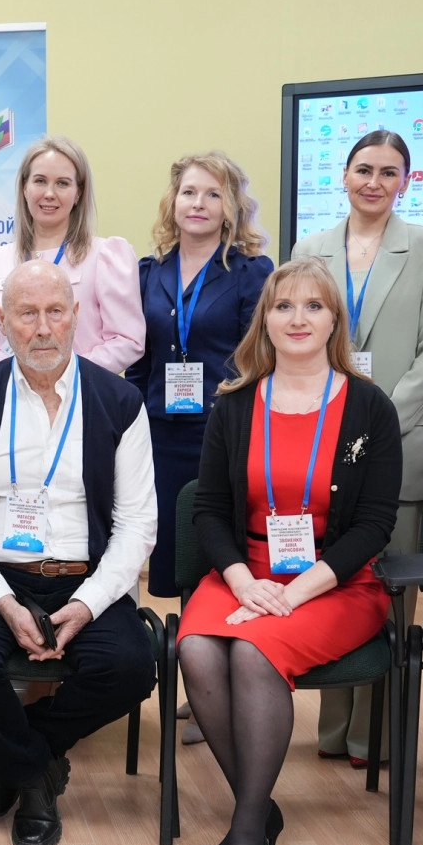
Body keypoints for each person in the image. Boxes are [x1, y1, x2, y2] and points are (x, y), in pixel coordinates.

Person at [177, 258, 402, 845]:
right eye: (283, 306)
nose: (297, 318)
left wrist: (294, 593)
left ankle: (247, 832)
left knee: (252, 653)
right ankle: (259, 807)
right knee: (196, 649)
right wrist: (244, 581)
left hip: (337, 582)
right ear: (266, 320)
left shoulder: (370, 407)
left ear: (335, 321)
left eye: (313, 306)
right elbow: (208, 510)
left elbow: (375, 524)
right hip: (246, 572)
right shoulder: (235, 403)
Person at [0, 260, 158, 845]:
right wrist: (4, 603)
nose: (43, 327)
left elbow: (137, 524)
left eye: (56, 311)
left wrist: (87, 604)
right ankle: (35, 776)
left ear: (77, 315)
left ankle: (19, 758)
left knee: (130, 667)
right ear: (2, 321)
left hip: (87, 577)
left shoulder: (120, 402)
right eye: (26, 313)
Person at [291, 131, 423, 767]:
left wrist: (377, 423)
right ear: (344, 175)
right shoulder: (310, 249)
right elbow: (298, 338)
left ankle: (374, 736)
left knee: (389, 596)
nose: (374, 182)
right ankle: (334, 729)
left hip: (399, 443)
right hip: (322, 442)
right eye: (364, 169)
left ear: (405, 183)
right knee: (334, 586)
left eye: (389, 172)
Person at [125, 151, 273, 605]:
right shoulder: (148, 272)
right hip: (160, 436)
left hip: (223, 433)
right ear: (173, 202)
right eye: (189, 192)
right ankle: (182, 639)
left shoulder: (252, 272)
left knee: (219, 556)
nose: (198, 203)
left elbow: (256, 360)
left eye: (213, 194)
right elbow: (139, 362)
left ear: (231, 207)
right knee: (172, 557)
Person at [0, 136, 142, 373]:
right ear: (25, 188)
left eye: (62, 183)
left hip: (84, 391)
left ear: (78, 193)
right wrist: (19, 379)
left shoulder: (105, 256)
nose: (49, 193)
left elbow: (127, 341)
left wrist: (67, 377)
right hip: (12, 392)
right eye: (40, 181)